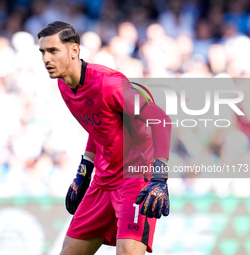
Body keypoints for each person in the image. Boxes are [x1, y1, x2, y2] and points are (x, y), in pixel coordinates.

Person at [38, 21, 171, 255]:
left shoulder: (109, 84)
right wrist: (84, 170)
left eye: (53, 51)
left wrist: (159, 177)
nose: (46, 59)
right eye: (43, 52)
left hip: (135, 178)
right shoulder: (63, 84)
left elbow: (159, 119)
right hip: (103, 180)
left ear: (74, 51)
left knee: (128, 252)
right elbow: (97, 126)